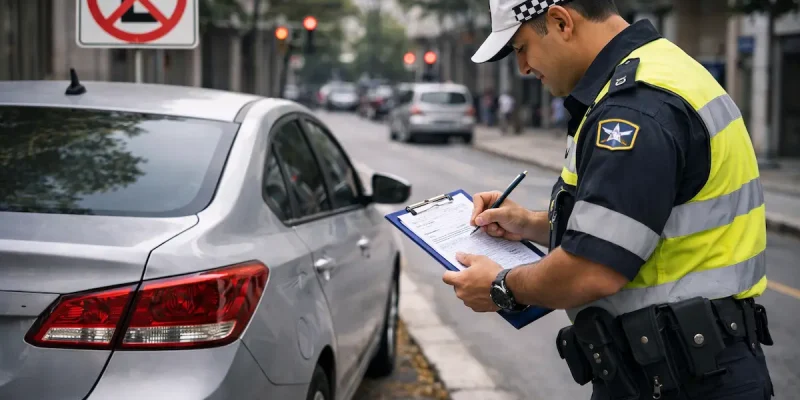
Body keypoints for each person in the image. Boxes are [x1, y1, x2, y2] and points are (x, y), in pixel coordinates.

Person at [441, 1, 775, 399]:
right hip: (691, 367)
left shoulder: (633, 108)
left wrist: (501, 287)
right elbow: (640, 224)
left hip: (684, 378)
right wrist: (530, 224)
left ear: (561, 22)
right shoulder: (664, 68)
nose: (523, 68)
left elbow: (592, 270)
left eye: (520, 48)